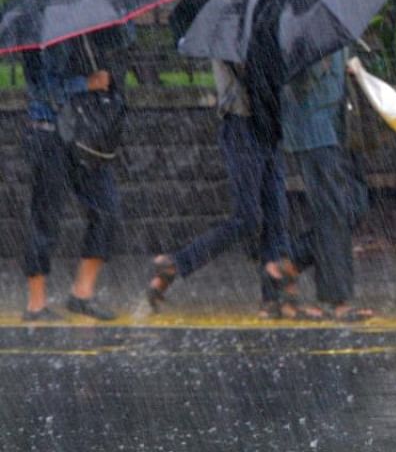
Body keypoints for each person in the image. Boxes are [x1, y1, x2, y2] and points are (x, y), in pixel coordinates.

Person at [146, 59, 295, 314]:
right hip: (241, 124)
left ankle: (271, 299)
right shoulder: (230, 28)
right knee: (247, 218)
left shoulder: (262, 24)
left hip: (267, 123)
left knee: (276, 213)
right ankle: (177, 263)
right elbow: (249, 72)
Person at [18, 29, 131, 321]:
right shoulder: (40, 32)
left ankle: (82, 293)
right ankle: (36, 303)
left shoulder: (84, 30)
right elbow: (42, 88)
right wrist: (87, 83)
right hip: (49, 133)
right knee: (46, 217)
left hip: (83, 134)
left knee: (107, 210)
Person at [261, 48, 375, 321]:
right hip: (314, 128)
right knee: (332, 212)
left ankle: (289, 262)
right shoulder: (299, 24)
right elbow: (287, 75)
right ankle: (337, 299)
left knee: (356, 204)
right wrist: (317, 66)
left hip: (342, 126)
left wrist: (352, 65)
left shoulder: (332, 19)